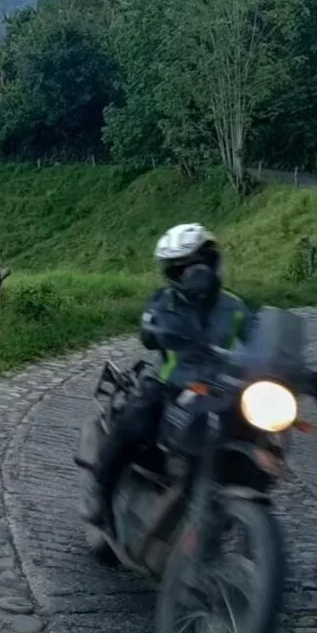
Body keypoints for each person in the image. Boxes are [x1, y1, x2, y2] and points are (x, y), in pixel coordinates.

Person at [85, 223, 253, 528]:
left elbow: (259, 338)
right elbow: (149, 329)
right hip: (170, 385)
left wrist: (296, 371)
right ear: (172, 274)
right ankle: (101, 490)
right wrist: (155, 329)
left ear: (212, 261)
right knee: (135, 421)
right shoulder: (165, 301)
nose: (192, 273)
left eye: (197, 263)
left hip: (224, 389)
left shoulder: (236, 306)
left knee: (257, 429)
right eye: (181, 268)